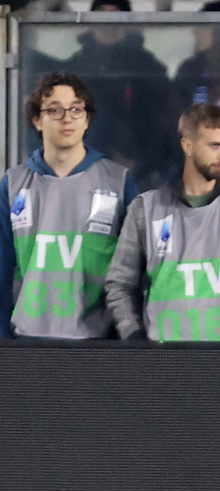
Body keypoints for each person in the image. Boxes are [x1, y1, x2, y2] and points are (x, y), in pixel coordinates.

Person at [104, 103, 220, 342]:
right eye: (214, 145)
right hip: (165, 364)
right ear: (188, 146)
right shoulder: (145, 208)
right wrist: (135, 340)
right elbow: (120, 284)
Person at [0, 72, 137, 340]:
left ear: (87, 119)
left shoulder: (119, 182)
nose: (67, 118)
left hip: (100, 343)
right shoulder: (12, 184)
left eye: (76, 109)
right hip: (27, 342)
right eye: (55, 110)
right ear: (37, 120)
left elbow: (134, 272)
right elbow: (2, 271)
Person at [65, 0, 182, 190]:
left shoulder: (148, 69)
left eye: (116, 18)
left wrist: (139, 162)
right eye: (102, 17)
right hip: (82, 171)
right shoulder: (74, 69)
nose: (108, 26)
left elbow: (163, 124)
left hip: (139, 170)